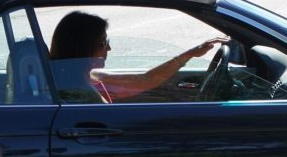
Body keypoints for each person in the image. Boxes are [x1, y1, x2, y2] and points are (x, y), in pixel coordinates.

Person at [48, 11, 227, 103]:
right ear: (81, 48)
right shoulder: (75, 92)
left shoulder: (85, 79)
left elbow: (144, 80)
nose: (109, 48)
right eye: (102, 43)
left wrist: (189, 54)